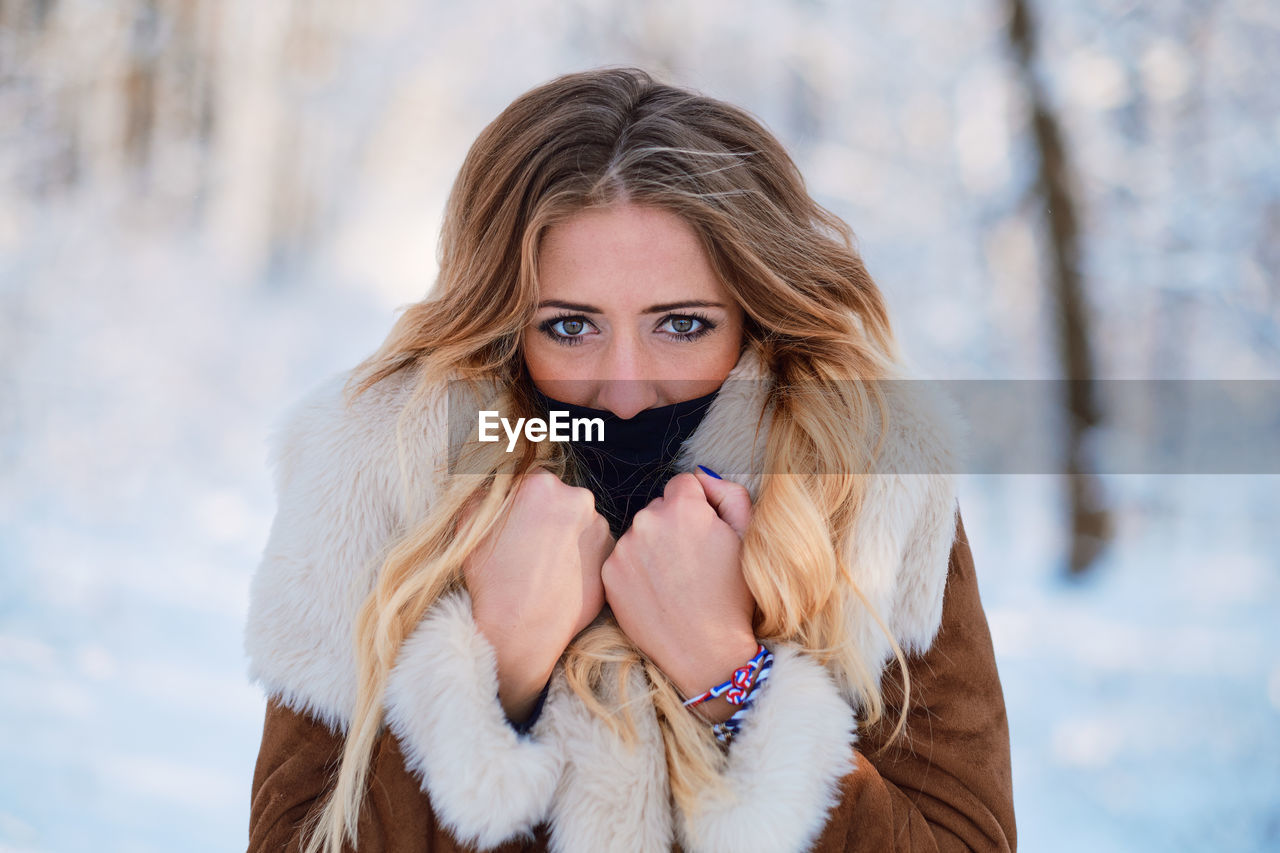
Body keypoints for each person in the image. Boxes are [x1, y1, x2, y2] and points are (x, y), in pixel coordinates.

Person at [243, 67, 1016, 853]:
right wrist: (497, 665)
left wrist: (731, 680)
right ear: (504, 326)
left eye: (680, 325)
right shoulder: (386, 476)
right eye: (570, 327)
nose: (623, 391)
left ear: (757, 315)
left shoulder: (864, 483)